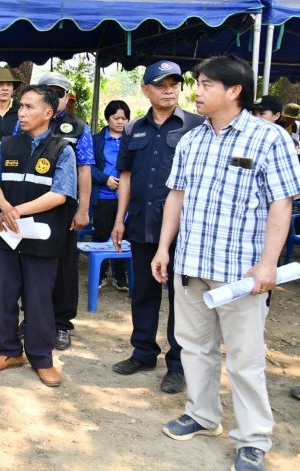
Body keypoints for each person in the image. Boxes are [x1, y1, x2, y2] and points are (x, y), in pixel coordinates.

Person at [152, 55, 300, 471]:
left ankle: (253, 438)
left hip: (241, 273)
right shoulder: (191, 140)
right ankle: (202, 415)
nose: (195, 91)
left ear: (234, 91)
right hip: (192, 264)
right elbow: (175, 197)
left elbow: (280, 204)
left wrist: (268, 263)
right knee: (195, 348)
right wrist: (165, 249)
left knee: (244, 358)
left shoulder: (268, 138)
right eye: (196, 83)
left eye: (204, 84)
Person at [110, 61, 203, 394]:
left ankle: (177, 364)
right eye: (161, 84)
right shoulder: (134, 128)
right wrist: (120, 219)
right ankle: (143, 352)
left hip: (183, 228)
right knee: (143, 292)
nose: (169, 89)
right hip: (141, 224)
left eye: (175, 83)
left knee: (182, 297)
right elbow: (126, 176)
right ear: (146, 90)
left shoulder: (197, 125)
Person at [0, 85, 76, 387]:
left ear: (48, 113)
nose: (21, 112)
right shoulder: (8, 144)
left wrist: (18, 211)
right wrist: (5, 207)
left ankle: (41, 357)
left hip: (41, 237)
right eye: (21, 106)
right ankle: (8, 351)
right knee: (4, 294)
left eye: (29, 107)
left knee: (38, 299)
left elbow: (60, 194)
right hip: (5, 235)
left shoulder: (62, 149)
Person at [34, 72, 94, 350]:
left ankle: (61, 324)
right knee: (29, 264)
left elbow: (84, 169)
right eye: (48, 90)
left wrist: (83, 209)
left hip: (64, 209)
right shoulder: (27, 121)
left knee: (64, 267)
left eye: (59, 92)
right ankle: (31, 319)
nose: (53, 96)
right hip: (30, 204)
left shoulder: (79, 128)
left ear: (67, 97)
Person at [90, 100, 130, 290]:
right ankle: (100, 274)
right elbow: (87, 167)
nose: (120, 121)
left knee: (124, 236)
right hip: (103, 195)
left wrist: (126, 182)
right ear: (108, 118)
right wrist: (105, 179)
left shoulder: (131, 140)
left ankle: (120, 276)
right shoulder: (96, 140)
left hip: (126, 197)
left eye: (124, 118)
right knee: (101, 235)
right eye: (116, 118)